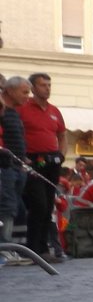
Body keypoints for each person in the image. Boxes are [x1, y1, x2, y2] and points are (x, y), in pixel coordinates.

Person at [19, 72, 67, 262]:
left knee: (48, 205)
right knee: (38, 204)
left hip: (52, 161)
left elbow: (62, 135)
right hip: (32, 160)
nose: (47, 88)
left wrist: (62, 154)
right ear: (32, 88)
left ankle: (43, 248)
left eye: (49, 85)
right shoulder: (23, 107)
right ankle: (34, 248)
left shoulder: (54, 111)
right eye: (43, 85)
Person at [0, 77, 30, 257]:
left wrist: (23, 158)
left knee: (16, 207)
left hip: (16, 166)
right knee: (7, 207)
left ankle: (13, 248)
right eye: (25, 92)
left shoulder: (13, 113)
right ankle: (4, 249)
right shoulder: (3, 112)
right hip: (5, 166)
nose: (28, 96)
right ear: (9, 91)